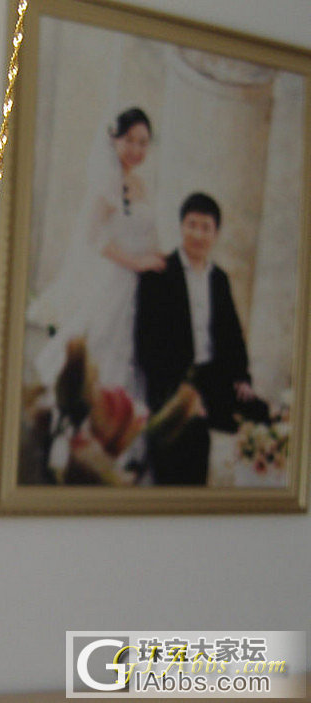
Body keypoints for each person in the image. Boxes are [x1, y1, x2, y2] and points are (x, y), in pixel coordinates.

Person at [26, 107, 164, 477]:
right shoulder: (107, 183)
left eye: (143, 142)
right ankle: (80, 436)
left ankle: (121, 442)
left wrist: (154, 258)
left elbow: (147, 232)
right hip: (115, 279)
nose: (136, 149)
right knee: (104, 345)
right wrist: (136, 262)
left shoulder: (140, 183)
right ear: (114, 140)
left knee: (133, 352)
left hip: (139, 285)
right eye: (129, 140)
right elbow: (95, 239)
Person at [135, 192, 270, 485]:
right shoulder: (160, 272)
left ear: (216, 233)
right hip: (172, 380)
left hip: (212, 377)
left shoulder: (219, 278)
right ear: (181, 226)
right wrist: (184, 394)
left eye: (205, 227)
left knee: (262, 413)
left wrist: (242, 377)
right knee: (192, 433)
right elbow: (147, 343)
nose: (197, 234)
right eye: (191, 225)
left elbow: (232, 334)